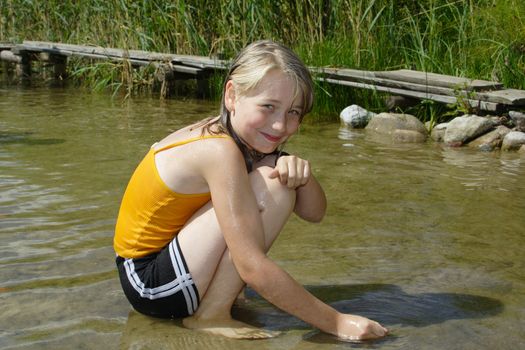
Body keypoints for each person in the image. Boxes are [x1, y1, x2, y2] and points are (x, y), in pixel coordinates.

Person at [113, 40, 388, 341]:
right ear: (232, 96)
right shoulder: (218, 150)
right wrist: (336, 323)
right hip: (150, 285)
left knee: (279, 179)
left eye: (294, 112)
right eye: (268, 106)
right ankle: (210, 315)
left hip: (167, 270)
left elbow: (315, 213)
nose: (280, 124)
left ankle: (220, 299)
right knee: (275, 186)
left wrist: (302, 175)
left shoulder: (242, 143)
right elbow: (251, 266)